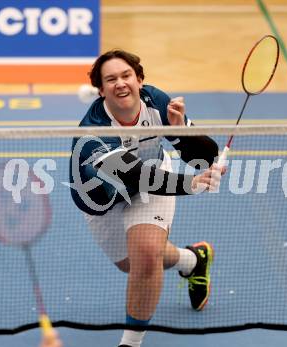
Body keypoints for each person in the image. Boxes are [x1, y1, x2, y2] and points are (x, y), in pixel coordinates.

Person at [69, 49, 225, 347]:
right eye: (111, 79)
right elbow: (135, 176)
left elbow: (205, 159)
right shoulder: (94, 133)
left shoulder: (156, 103)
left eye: (126, 75)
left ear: (139, 80)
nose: (121, 83)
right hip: (103, 199)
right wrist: (192, 184)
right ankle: (193, 260)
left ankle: (130, 343)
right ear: (101, 90)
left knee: (146, 256)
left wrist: (181, 133)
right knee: (131, 264)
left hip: (151, 179)